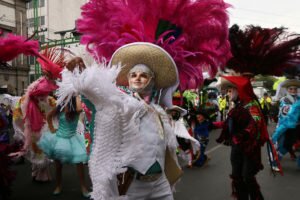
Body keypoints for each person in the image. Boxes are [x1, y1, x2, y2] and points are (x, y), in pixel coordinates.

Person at [56, 42, 182, 200]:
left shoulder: (159, 112)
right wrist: (80, 73)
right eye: (133, 75)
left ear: (152, 80)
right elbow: (97, 96)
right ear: (128, 80)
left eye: (143, 75)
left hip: (160, 183)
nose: (137, 78)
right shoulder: (122, 104)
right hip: (133, 185)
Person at [216, 76, 269, 200]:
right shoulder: (237, 106)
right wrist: (211, 124)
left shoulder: (251, 105)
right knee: (237, 176)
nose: (228, 94)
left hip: (249, 148)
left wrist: (241, 135)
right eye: (227, 91)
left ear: (238, 90)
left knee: (247, 177)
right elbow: (228, 123)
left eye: (230, 91)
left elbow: (256, 123)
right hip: (237, 148)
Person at [38, 95, 90, 197]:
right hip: (59, 139)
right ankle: (58, 186)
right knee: (58, 166)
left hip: (73, 139)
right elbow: (49, 116)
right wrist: (52, 128)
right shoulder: (60, 108)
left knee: (79, 163)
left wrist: (74, 94)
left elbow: (79, 106)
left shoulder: (76, 109)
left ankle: (83, 187)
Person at [272, 79, 300, 161]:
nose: (293, 90)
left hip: (297, 125)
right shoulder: (284, 99)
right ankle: (275, 160)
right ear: (287, 90)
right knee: (285, 144)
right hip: (286, 125)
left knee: (289, 143)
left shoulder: (299, 98)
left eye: (295, 89)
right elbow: (285, 112)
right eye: (291, 89)